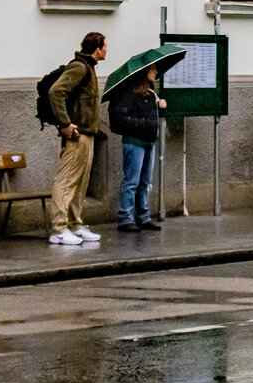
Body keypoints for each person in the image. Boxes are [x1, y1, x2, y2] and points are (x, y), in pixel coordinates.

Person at [47, 32, 106, 245]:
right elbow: (56, 92)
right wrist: (64, 123)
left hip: (87, 135)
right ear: (97, 48)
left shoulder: (88, 67)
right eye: (105, 46)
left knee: (80, 183)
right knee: (67, 181)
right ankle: (58, 229)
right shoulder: (80, 67)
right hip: (76, 135)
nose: (106, 50)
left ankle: (74, 224)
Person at [108, 65, 166, 231]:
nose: (155, 73)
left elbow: (154, 117)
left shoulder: (151, 93)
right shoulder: (129, 94)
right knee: (131, 181)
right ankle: (126, 218)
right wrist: (144, 124)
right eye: (153, 70)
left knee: (145, 182)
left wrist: (161, 108)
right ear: (144, 73)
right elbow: (124, 118)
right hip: (134, 142)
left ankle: (143, 217)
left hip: (149, 141)